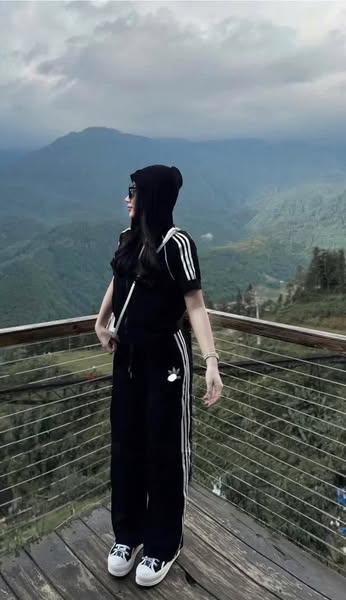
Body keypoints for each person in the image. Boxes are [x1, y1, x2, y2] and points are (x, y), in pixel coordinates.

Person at [95, 164, 223, 587]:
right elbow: (118, 280)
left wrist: (211, 361)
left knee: (165, 450)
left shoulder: (177, 243)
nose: (126, 197)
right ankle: (127, 535)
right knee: (126, 445)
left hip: (166, 358)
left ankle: (163, 544)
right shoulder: (127, 238)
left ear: (151, 196)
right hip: (127, 358)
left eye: (133, 191)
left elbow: (195, 305)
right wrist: (100, 321)